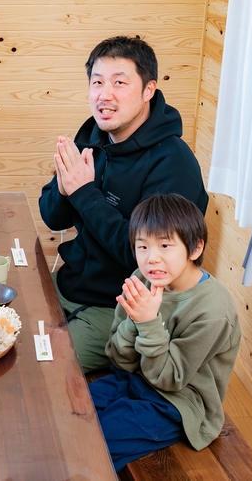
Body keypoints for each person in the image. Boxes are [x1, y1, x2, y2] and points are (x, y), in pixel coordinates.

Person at [39, 35, 209, 372]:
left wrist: (85, 193)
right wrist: (65, 186)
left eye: (119, 83)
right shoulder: (92, 137)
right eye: (97, 82)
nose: (105, 95)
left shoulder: (173, 163)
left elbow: (148, 259)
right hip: (68, 285)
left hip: (121, 308)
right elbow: (52, 219)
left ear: (148, 90)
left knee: (44, 367)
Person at [89, 193, 240, 471]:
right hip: (133, 378)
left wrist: (147, 322)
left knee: (92, 443)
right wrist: (136, 319)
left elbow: (169, 380)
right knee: (73, 411)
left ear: (195, 249)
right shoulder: (140, 279)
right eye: (142, 246)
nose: (151, 259)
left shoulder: (213, 310)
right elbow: (119, 359)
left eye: (165, 245)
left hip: (179, 403)